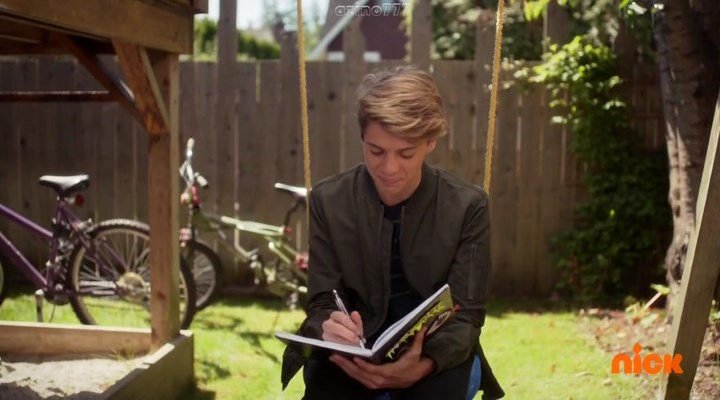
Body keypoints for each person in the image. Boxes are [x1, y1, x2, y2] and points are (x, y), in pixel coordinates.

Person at [281, 66, 504, 400]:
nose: (388, 168)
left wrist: (423, 364)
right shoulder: (329, 200)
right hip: (350, 358)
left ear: (430, 141)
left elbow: (467, 313)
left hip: (435, 357)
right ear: (362, 138)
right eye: (376, 151)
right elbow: (322, 299)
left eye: (406, 153)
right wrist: (330, 325)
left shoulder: (467, 206)